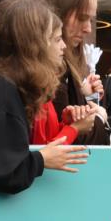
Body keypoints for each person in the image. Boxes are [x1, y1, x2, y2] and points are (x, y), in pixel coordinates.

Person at [0, 0, 88, 194]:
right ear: (34, 45)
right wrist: (41, 160)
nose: (63, 46)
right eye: (57, 39)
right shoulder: (0, 90)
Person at [44, 0, 110, 145]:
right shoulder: (53, 68)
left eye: (91, 19)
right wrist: (99, 118)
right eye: (81, 18)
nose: (88, 28)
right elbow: (67, 137)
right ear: (59, 14)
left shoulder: (65, 64)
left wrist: (86, 96)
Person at [31, 16, 99, 146]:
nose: (63, 45)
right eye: (57, 40)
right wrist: (75, 128)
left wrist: (66, 123)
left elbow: (47, 140)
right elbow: (44, 155)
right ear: (39, 45)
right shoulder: (34, 92)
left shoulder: (41, 87)